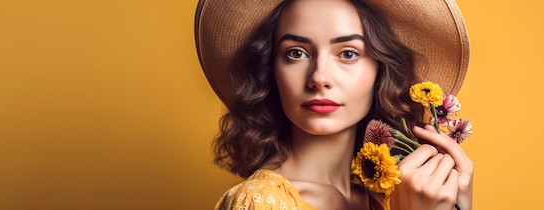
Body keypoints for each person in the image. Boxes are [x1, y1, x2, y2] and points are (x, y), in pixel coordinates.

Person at [194, 0, 473, 209]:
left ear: (382, 69)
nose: (319, 77)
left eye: (348, 53)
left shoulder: (381, 198)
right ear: (269, 69)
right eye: (296, 53)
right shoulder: (261, 201)